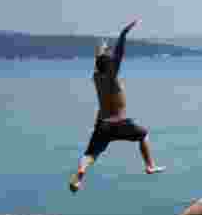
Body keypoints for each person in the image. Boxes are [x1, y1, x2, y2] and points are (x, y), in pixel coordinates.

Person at [69, 18, 164, 193]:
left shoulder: (96, 77)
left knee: (92, 153)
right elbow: (119, 53)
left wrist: (102, 49)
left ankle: (81, 173)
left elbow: (99, 60)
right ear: (110, 65)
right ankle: (150, 166)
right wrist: (123, 34)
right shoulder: (112, 76)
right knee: (143, 135)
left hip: (102, 124)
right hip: (119, 122)